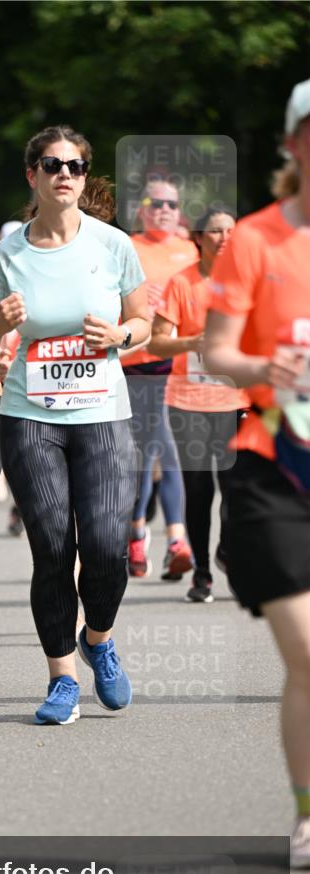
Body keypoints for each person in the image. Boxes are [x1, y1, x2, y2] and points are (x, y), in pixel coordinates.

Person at [0, 124, 150, 724]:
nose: (63, 174)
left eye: (73, 165)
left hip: (101, 413)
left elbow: (143, 322)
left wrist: (120, 334)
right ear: (33, 176)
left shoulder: (112, 244)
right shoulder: (9, 253)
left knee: (105, 547)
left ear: (82, 174)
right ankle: (61, 681)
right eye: (51, 165)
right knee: (52, 548)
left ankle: (97, 639)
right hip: (29, 416)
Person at [204, 79, 310, 868]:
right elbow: (216, 351)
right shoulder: (253, 239)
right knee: (307, 655)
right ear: (291, 143)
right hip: (274, 464)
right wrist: (264, 365)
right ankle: (307, 814)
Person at [150, 206, 249, 602]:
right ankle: (203, 574)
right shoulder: (181, 283)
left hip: (236, 399)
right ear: (198, 238)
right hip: (188, 400)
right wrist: (192, 343)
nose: (223, 239)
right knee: (198, 487)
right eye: (215, 232)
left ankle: (227, 550)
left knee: (236, 487)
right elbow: (157, 341)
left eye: (230, 232)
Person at [124, 179, 197, 580]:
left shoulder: (189, 249)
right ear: (141, 209)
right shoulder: (127, 247)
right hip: (138, 362)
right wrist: (134, 302)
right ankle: (154, 534)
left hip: (182, 364)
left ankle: (162, 537)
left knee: (162, 451)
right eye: (156, 202)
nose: (164, 209)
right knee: (150, 452)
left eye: (172, 203)